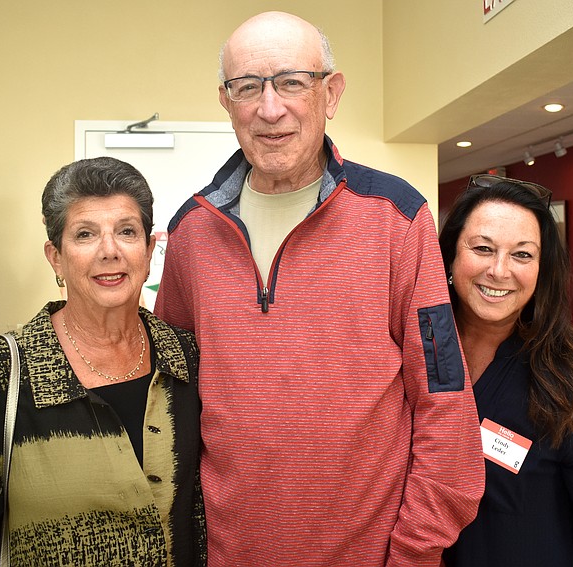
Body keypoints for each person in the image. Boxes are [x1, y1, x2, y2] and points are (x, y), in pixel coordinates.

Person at [154, 11, 483, 566]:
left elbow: (444, 403)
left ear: (331, 93)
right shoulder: (193, 230)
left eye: (291, 82)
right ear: (225, 101)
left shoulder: (397, 218)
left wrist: (413, 555)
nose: (270, 108)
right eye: (247, 87)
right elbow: (170, 404)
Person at [0, 157, 205, 566]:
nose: (110, 251)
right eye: (85, 234)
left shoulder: (188, 359)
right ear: (56, 257)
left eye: (127, 232)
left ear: (148, 251)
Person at [438, 175, 573, 566]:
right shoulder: (416, 353)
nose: (498, 270)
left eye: (522, 255)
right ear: (450, 255)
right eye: (482, 248)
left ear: (543, 269)